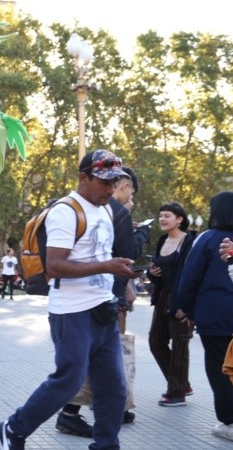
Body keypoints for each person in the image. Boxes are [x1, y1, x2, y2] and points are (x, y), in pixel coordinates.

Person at [0, 149, 139, 450]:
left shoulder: (106, 209)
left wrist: (120, 272)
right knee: (69, 381)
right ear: (83, 178)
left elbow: (99, 254)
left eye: (114, 182)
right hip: (72, 313)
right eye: (103, 182)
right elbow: (56, 266)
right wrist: (106, 266)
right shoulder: (66, 210)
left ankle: (105, 446)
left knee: (114, 389)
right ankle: (14, 428)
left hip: (103, 310)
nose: (110, 189)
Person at [56, 167, 145, 437]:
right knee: (92, 366)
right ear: (121, 186)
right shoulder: (109, 212)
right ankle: (61, 415)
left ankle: (107, 418)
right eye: (129, 188)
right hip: (100, 301)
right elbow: (129, 254)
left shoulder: (100, 211)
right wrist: (141, 234)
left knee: (103, 367)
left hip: (97, 298)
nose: (130, 194)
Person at [173, 191, 233, 441]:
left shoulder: (207, 239)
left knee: (220, 368)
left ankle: (232, 423)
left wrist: (184, 308)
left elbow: (190, 276)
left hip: (215, 316)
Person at [147, 202, 196, 406]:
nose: (163, 220)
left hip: (182, 297)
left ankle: (177, 394)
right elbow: (159, 273)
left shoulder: (189, 242)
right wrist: (152, 274)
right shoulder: (162, 240)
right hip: (162, 297)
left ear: (180, 219)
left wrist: (185, 305)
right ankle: (182, 383)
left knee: (179, 344)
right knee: (155, 341)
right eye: (161, 216)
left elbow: (192, 274)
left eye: (167, 216)